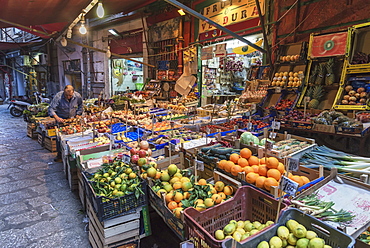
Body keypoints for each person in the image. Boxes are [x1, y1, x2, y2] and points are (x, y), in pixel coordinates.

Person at [48, 85, 83, 162]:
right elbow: (51, 109)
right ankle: (60, 155)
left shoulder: (77, 96)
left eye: (70, 95)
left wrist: (78, 114)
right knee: (60, 139)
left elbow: (81, 106)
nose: (68, 97)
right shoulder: (58, 96)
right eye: (66, 95)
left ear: (73, 92)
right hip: (61, 119)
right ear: (63, 91)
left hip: (72, 120)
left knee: (74, 136)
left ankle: (72, 155)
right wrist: (57, 118)